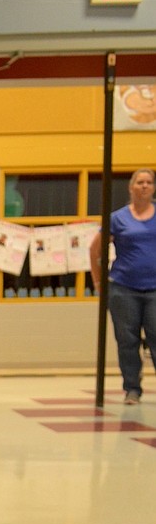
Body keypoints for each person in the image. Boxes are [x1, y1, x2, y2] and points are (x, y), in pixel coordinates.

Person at [90, 167, 156, 404]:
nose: (145, 186)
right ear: (131, 187)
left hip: (154, 290)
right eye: (140, 182)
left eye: (149, 182)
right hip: (124, 288)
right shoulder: (117, 218)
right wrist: (98, 280)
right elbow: (95, 249)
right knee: (127, 340)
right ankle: (132, 389)